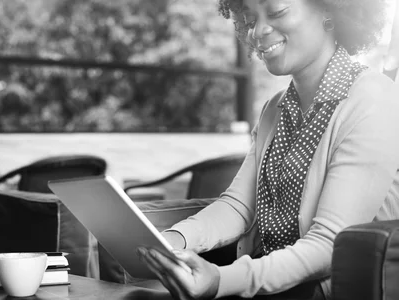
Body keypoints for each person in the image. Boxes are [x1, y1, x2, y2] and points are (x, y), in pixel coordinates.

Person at [137, 0, 399, 299]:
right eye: (249, 18)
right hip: (272, 286)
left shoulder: (374, 100)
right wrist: (170, 243)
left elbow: (330, 244)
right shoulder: (275, 109)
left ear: (330, 10)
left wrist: (221, 280)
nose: (257, 31)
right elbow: (238, 207)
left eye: (277, 12)